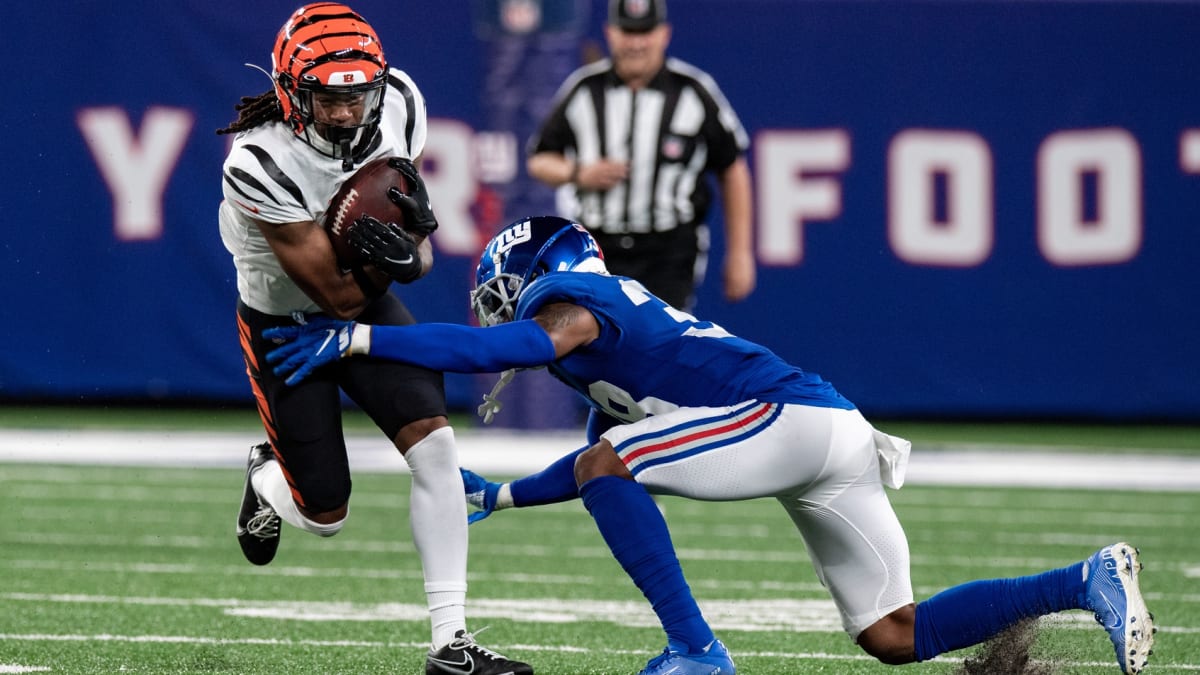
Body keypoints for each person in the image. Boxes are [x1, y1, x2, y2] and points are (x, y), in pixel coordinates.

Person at [262, 215, 1156, 675]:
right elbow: (588, 464)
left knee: (619, 462)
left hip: (787, 418)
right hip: (827, 432)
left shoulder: (576, 299)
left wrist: (360, 339)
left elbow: (515, 349)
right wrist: (500, 497)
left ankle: (696, 649)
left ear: (526, 275)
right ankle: (1085, 579)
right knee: (892, 633)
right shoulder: (606, 359)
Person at [215, 4, 533, 673]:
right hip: (286, 323)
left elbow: (401, 217)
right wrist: (411, 260)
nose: (345, 112)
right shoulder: (259, 161)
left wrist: (409, 250)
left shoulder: (400, 104)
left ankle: (451, 644)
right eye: (327, 98)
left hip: (365, 304)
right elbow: (333, 291)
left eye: (357, 94)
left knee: (438, 449)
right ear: (290, 93)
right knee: (326, 513)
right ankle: (269, 479)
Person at [526, 0, 755, 311]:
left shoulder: (693, 91)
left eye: (645, 32)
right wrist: (579, 173)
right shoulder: (584, 89)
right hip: (596, 246)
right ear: (610, 33)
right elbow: (539, 159)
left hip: (668, 249)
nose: (636, 43)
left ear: (664, 34)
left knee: (660, 346)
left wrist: (740, 253)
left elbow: (732, 168)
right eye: (628, 32)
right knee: (593, 345)